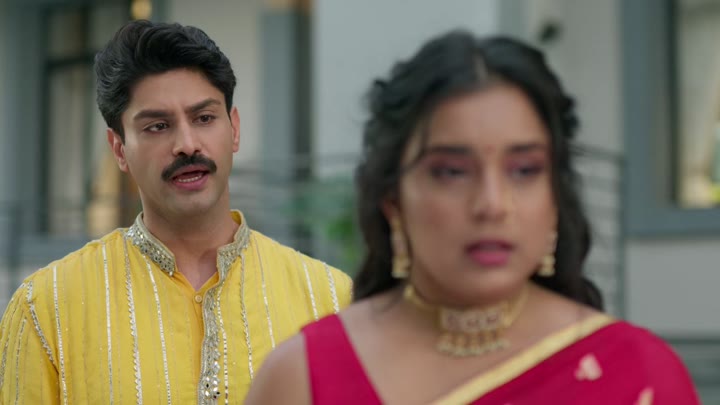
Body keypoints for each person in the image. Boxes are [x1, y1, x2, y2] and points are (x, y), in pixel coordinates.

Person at [245, 31, 701, 404]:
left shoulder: (638, 374)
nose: (492, 204)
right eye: (451, 172)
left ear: (555, 196)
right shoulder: (303, 377)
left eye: (524, 170)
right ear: (392, 200)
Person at [0, 20, 351, 404]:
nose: (187, 144)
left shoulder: (330, 300)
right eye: (157, 126)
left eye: (204, 118)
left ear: (234, 129)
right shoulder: (46, 308)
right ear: (119, 149)